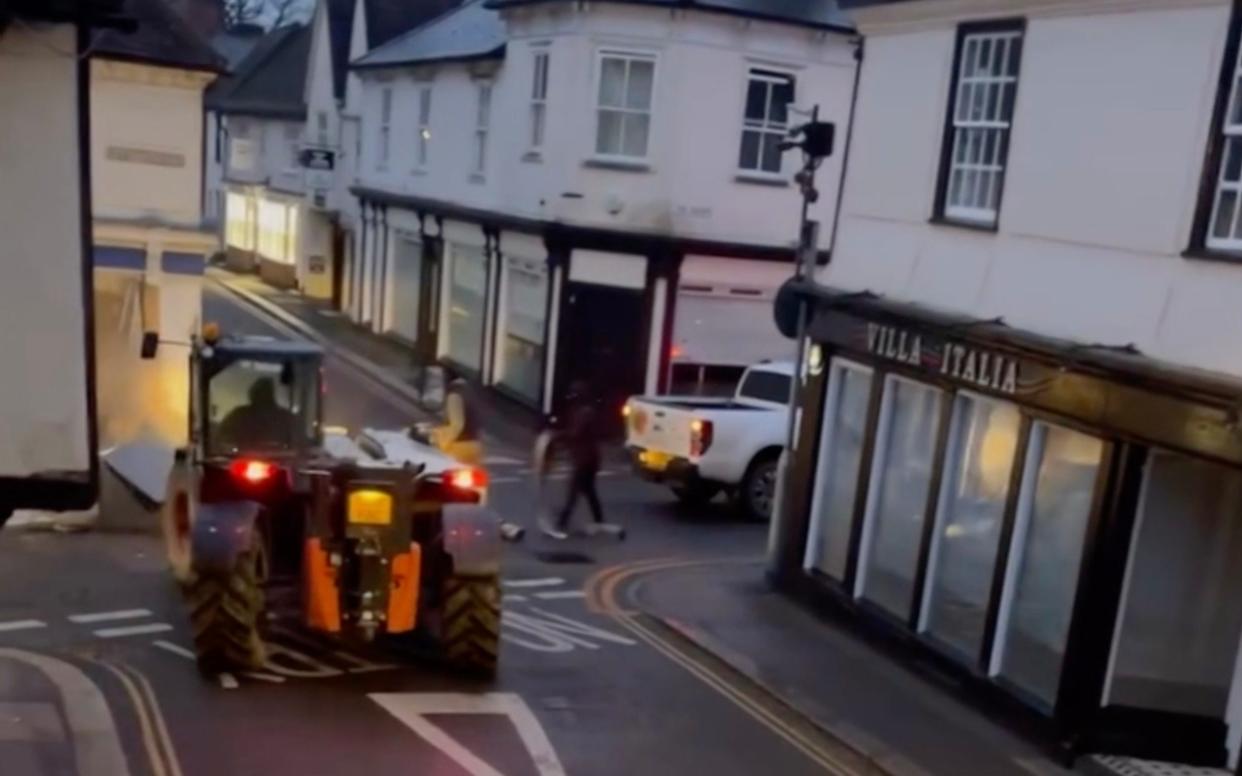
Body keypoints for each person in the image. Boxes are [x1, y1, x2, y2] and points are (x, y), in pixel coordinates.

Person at [543, 382, 605, 540]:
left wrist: (557, 435)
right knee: (589, 491)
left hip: (585, 460)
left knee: (573, 492)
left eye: (573, 394)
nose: (570, 398)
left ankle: (561, 524)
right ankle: (600, 521)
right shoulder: (579, 411)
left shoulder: (584, 412)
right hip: (589, 459)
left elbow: (575, 434)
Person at [216, 377, 296, 450]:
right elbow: (223, 437)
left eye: (264, 392)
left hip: (280, 461)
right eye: (259, 392)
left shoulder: (285, 417)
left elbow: (299, 442)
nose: (262, 396)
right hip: (244, 459)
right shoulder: (239, 415)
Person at [430, 377, 483, 465]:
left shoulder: (454, 395)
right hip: (474, 446)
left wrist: (438, 440)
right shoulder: (472, 394)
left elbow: (457, 425)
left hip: (458, 447)